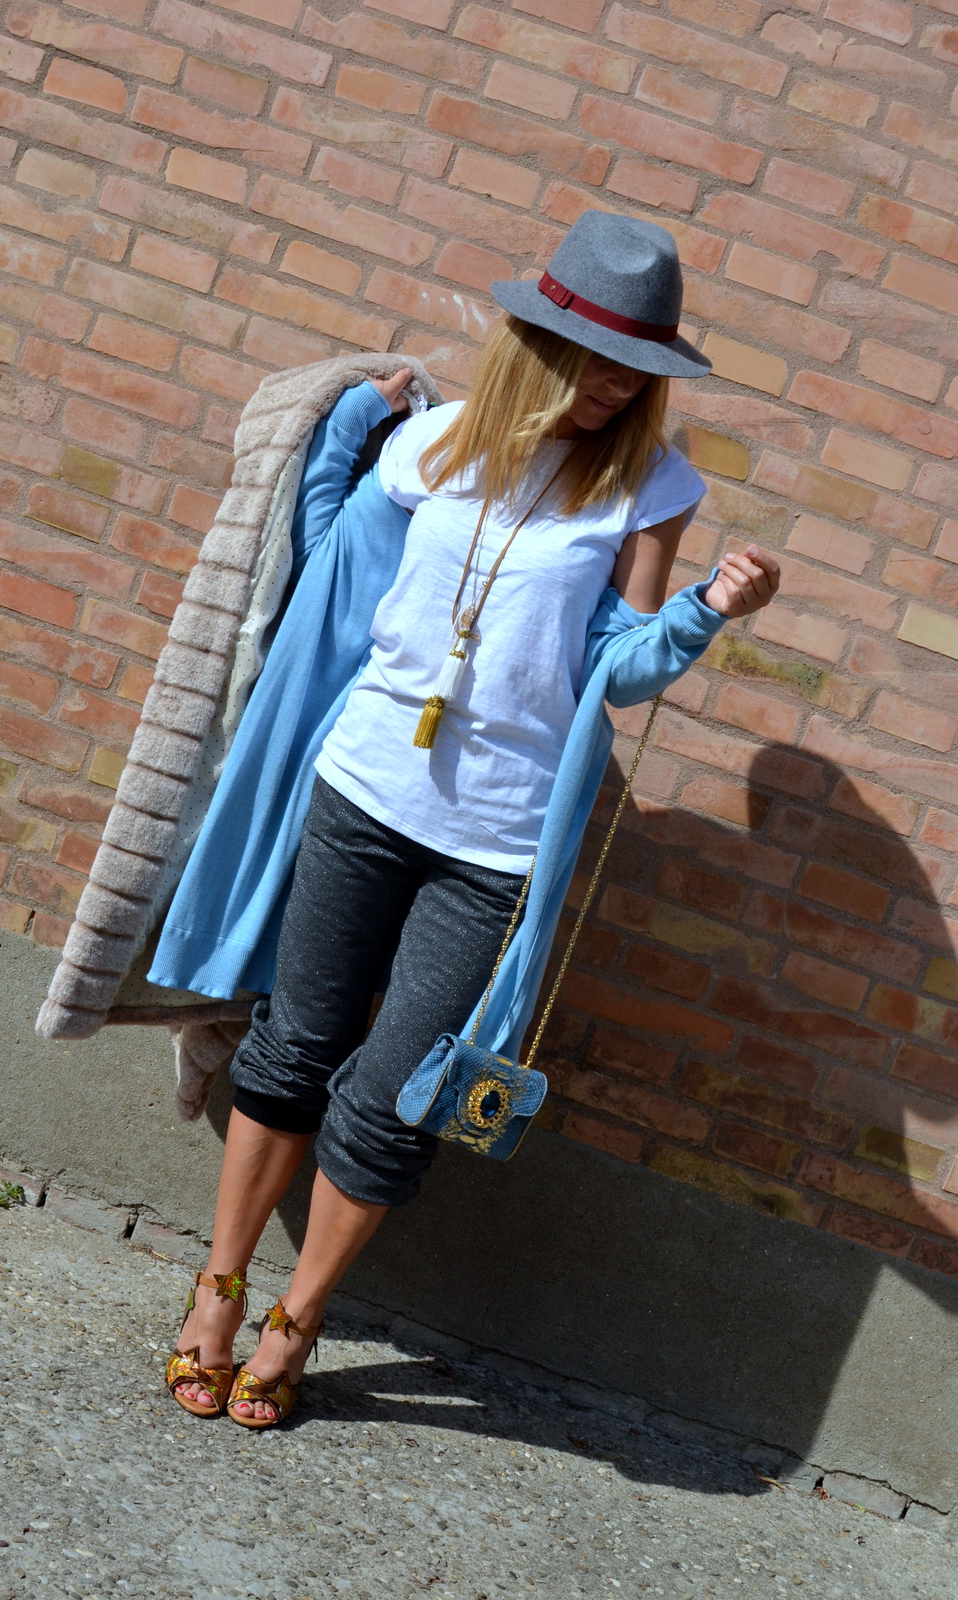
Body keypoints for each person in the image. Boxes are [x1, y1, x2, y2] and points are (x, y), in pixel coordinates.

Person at [161, 212, 781, 1427]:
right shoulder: (433, 445)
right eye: (594, 356)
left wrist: (707, 609)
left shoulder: (652, 486)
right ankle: (218, 1292)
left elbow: (620, 666)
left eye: (637, 366)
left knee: (398, 1091)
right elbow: (331, 562)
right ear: (535, 341)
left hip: (495, 840)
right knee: (293, 1045)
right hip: (362, 787)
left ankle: (298, 1320)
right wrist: (345, 430)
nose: (615, 385)